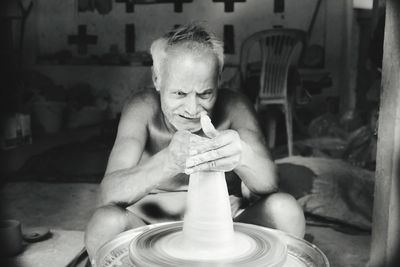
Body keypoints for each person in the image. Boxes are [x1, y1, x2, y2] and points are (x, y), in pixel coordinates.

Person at [85, 23, 305, 262]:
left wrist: (242, 156)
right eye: (179, 94)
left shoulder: (235, 106)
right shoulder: (142, 108)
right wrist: (167, 162)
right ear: (157, 79)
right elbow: (107, 195)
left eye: (204, 94)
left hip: (221, 229)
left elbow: (270, 182)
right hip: (149, 226)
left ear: (219, 80)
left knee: (286, 211)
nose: (192, 109)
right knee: (104, 223)